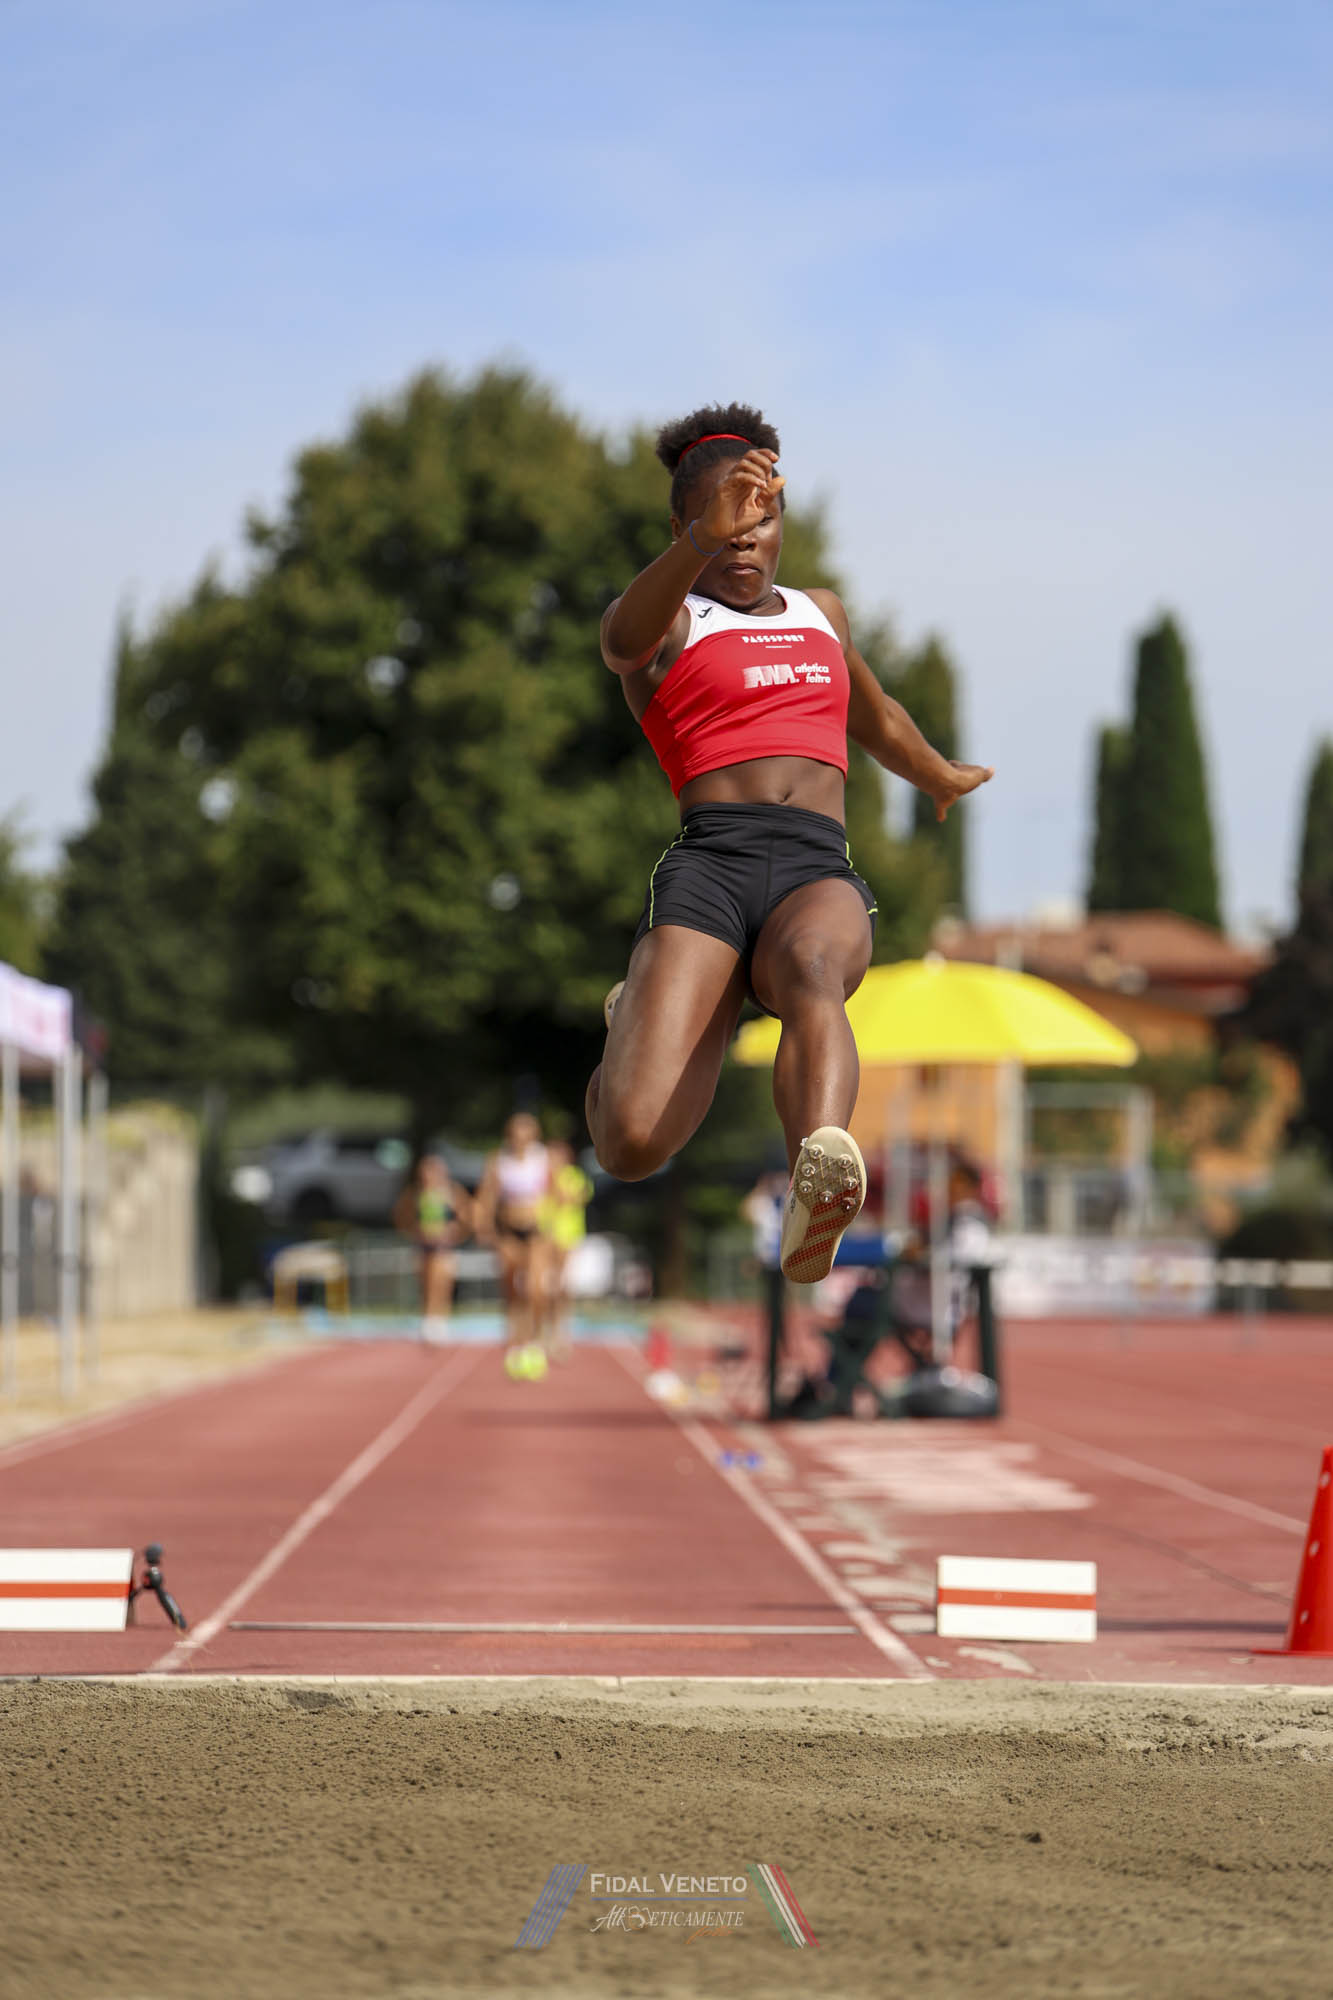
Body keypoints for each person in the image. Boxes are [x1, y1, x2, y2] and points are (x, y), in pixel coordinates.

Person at [586, 402, 993, 1284]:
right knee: (631, 1145)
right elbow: (618, 643)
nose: (744, 538)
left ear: (781, 525)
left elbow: (875, 716)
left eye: (760, 520)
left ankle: (818, 1181)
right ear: (683, 527)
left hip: (813, 866)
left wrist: (935, 775)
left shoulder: (821, 614)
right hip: (711, 867)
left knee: (813, 966)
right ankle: (634, 1023)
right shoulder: (669, 621)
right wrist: (702, 538)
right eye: (721, 522)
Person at [474, 1112, 554, 1375]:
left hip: (537, 1231)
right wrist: (484, 1227)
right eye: (516, 1134)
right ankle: (514, 1340)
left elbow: (555, 1193)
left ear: (533, 1135)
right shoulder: (498, 1160)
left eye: (525, 1134)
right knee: (511, 1287)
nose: (520, 1139)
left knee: (535, 1288)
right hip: (508, 1231)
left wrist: (553, 1223)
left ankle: (536, 1338)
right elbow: (487, 1196)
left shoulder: (543, 1158)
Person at [392, 1152, 472, 1344]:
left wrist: (457, 1231)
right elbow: (400, 1214)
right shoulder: (416, 1193)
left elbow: (467, 1215)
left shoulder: (452, 1192)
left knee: (441, 1282)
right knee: (426, 1283)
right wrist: (412, 1230)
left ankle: (440, 1320)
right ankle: (428, 1320)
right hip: (423, 1246)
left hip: (444, 1247)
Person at [537, 1139, 595, 1353]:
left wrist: (554, 1182)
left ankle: (561, 1331)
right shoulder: (542, 1176)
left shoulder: (574, 1176)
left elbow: (572, 1197)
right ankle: (544, 1330)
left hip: (568, 1237)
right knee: (544, 1286)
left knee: (562, 1287)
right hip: (545, 1236)